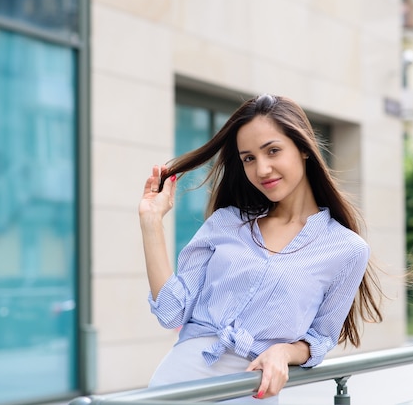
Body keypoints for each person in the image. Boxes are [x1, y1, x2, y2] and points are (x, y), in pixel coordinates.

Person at [138, 94, 383, 403]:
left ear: (304, 149)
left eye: (273, 151)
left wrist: (283, 351)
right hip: (179, 381)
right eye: (249, 158)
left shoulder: (347, 250)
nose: (262, 168)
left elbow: (320, 338)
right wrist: (151, 221)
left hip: (251, 389)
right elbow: (172, 312)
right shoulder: (226, 223)